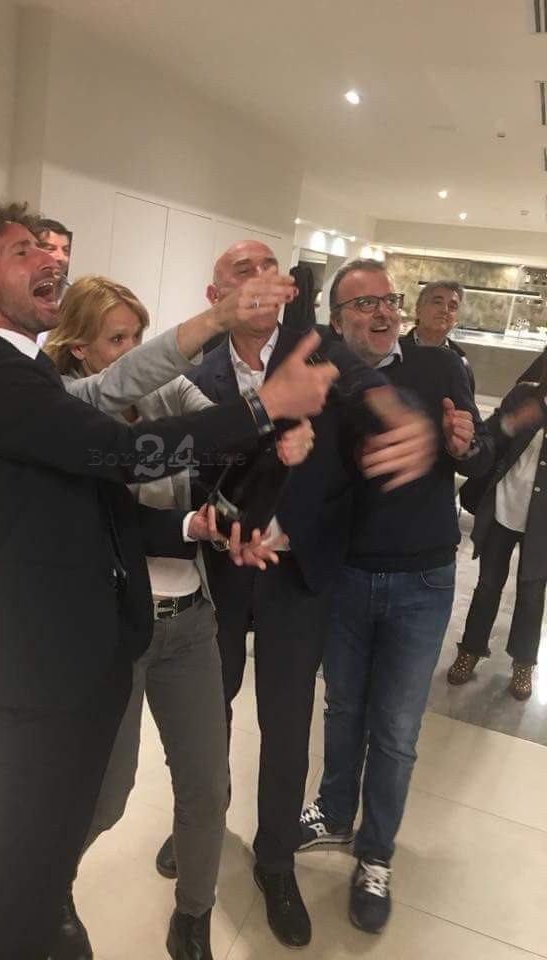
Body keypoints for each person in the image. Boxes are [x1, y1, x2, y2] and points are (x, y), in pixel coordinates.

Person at [0, 200, 339, 960]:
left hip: (72, 652)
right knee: (9, 862)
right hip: (36, 662)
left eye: (52, 248)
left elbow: (102, 498)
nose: (51, 258)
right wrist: (264, 405)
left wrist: (195, 527)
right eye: (24, 251)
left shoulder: (23, 372)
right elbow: (125, 454)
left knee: (40, 853)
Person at [155, 241, 436, 949]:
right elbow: (192, 466)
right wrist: (218, 522)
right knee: (205, 715)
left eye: (267, 269)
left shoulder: (321, 353)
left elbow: (371, 392)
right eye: (240, 272)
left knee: (286, 728)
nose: (258, 281)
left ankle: (275, 860)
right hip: (220, 573)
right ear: (215, 293)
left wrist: (406, 419)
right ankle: (200, 823)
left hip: (297, 572)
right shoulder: (198, 370)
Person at [44, 275, 313, 960]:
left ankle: (193, 915)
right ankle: (45, 885)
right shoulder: (68, 413)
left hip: (191, 620)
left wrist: (280, 443)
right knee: (107, 795)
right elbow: (111, 526)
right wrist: (193, 524)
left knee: (206, 788)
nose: (136, 352)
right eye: (118, 339)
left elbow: (229, 435)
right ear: (79, 350)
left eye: (139, 335)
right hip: (117, 629)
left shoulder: (165, 392)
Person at [298, 259, 493, 936]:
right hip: (346, 574)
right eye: (364, 304)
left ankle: (375, 854)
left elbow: (479, 449)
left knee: (397, 729)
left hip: (422, 580)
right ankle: (333, 812)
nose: (383, 312)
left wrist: (468, 445)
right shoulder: (321, 374)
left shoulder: (441, 367)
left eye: (389, 300)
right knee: (342, 706)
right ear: (336, 318)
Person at [448, 364, 547, 699]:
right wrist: (511, 422)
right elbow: (489, 437)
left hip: (541, 524)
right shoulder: (524, 395)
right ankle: (470, 650)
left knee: (532, 593)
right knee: (488, 585)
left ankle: (523, 663)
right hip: (504, 508)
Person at [403, 280, 475, 393]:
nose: (445, 310)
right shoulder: (393, 353)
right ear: (418, 310)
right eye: (437, 302)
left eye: (452, 306)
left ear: (456, 320)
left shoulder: (462, 364)